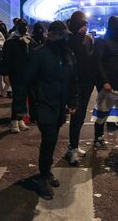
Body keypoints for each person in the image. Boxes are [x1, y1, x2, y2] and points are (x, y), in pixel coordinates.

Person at [22, 21, 78, 199]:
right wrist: (21, 107)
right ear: (51, 34)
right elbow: (26, 81)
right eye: (61, 35)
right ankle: (43, 176)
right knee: (49, 139)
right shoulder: (39, 54)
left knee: (52, 140)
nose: (64, 39)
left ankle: (46, 171)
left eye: (66, 35)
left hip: (60, 106)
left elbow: (73, 80)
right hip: (43, 105)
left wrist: (73, 101)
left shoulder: (67, 54)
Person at [93, 16, 118, 148]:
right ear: (112, 28)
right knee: (103, 111)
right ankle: (98, 137)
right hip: (107, 85)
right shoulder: (101, 42)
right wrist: (104, 82)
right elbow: (97, 62)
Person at [65, 11, 94, 165]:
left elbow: (91, 57)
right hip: (75, 83)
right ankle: (73, 148)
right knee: (76, 115)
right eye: (82, 24)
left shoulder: (88, 39)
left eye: (86, 24)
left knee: (81, 116)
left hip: (88, 82)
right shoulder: (69, 40)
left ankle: (73, 146)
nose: (85, 27)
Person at [2, 19, 37, 133]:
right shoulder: (10, 42)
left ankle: (20, 119)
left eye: (25, 25)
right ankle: (14, 121)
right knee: (18, 97)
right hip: (16, 74)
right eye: (22, 25)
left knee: (24, 97)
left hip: (28, 74)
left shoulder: (30, 41)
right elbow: (6, 59)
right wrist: (5, 74)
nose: (24, 27)